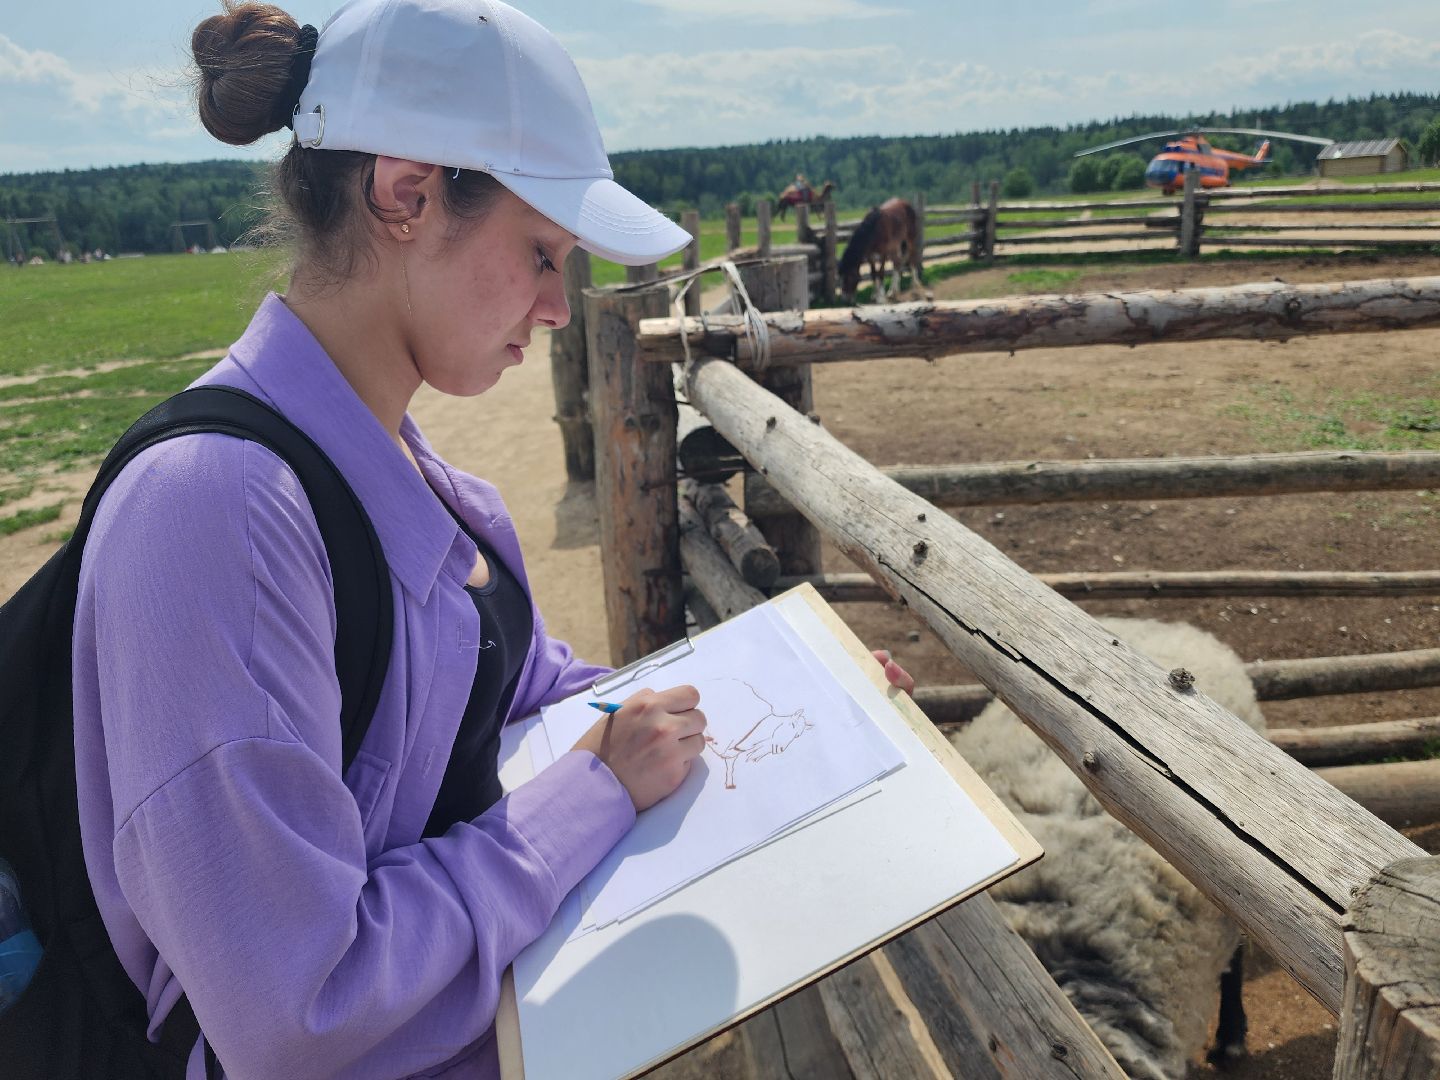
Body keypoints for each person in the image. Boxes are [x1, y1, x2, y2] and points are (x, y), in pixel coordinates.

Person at [72, 2, 913, 1077]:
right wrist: (596, 793)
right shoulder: (216, 516)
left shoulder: (419, 483)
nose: (560, 306)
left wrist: (789, 699)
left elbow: (522, 697)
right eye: (540, 252)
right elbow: (295, 1008)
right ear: (407, 193)